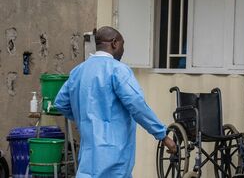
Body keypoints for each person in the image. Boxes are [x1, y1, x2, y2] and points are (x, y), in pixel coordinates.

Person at [54, 26, 177, 177]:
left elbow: (61, 103)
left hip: (87, 157)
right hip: (114, 156)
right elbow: (137, 105)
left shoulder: (78, 71)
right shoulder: (118, 70)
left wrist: (85, 117)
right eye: (122, 45)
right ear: (114, 43)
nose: (123, 50)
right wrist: (162, 135)